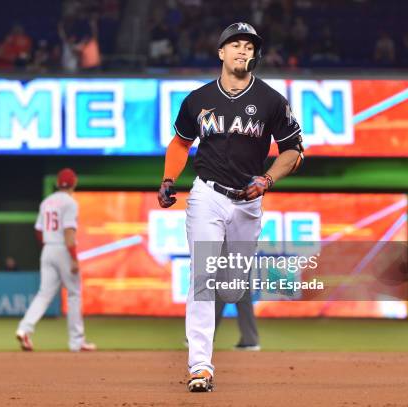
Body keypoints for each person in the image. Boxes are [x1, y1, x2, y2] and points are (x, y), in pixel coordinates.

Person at [158, 22, 304, 392]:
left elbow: (293, 151)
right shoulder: (197, 99)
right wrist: (168, 180)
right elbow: (180, 144)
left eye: (249, 46)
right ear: (221, 52)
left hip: (248, 201)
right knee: (203, 278)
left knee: (234, 283)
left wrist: (267, 180)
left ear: (254, 55)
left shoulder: (272, 101)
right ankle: (200, 366)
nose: (243, 50)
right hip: (207, 194)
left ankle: (209, 351)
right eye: (235, 44)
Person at [16, 168, 96, 352]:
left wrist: (47, 246)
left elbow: (38, 229)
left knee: (44, 294)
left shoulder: (46, 202)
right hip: (63, 248)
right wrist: (74, 258)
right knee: (74, 293)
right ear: (74, 183)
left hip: (48, 248)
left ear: (57, 183)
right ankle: (77, 342)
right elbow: (69, 232)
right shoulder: (70, 203)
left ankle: (24, 329)